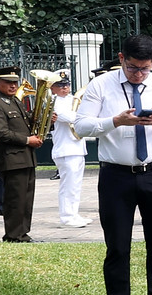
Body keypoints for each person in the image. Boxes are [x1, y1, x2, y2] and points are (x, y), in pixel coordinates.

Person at [75, 34, 152, 295]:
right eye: (132, 67)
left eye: (145, 68)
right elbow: (81, 126)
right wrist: (114, 121)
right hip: (116, 175)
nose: (138, 74)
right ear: (121, 59)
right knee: (117, 246)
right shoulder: (101, 85)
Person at [0, 66, 44, 243]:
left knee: (26, 199)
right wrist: (27, 140)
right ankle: (13, 235)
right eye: (8, 83)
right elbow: (0, 133)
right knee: (15, 199)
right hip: (12, 158)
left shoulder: (15, 101)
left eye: (15, 82)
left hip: (26, 157)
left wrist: (42, 118)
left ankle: (23, 233)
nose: (13, 86)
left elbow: (24, 123)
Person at [50, 71, 92, 228]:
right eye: (60, 85)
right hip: (65, 148)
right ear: (52, 87)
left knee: (76, 185)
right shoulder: (52, 101)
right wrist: (84, 117)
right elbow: (69, 117)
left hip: (77, 147)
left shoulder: (73, 100)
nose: (65, 88)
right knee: (68, 185)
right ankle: (67, 216)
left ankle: (74, 214)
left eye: (67, 85)